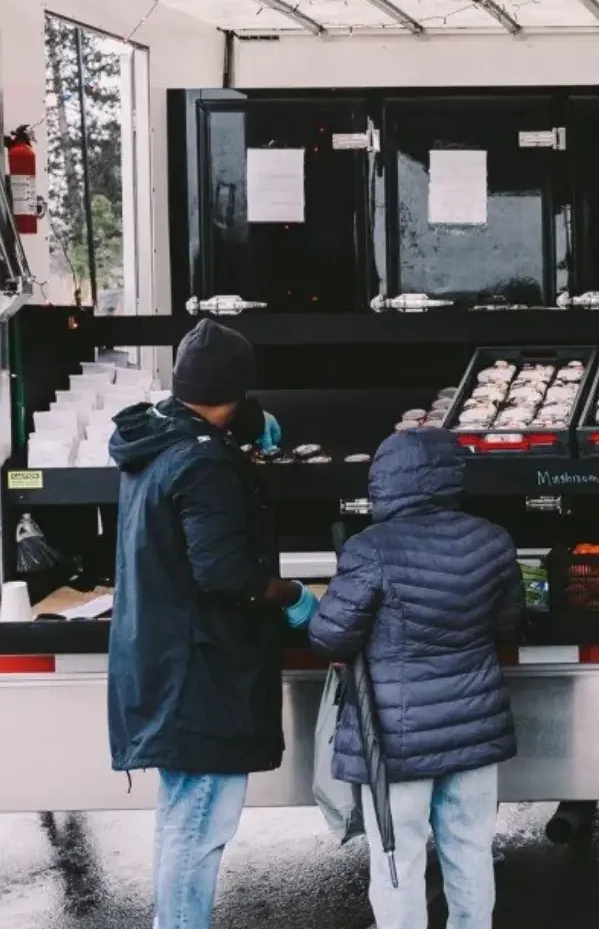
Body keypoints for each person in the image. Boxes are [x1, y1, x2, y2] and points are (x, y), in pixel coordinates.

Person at [107, 319, 307, 929]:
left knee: (180, 821)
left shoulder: (156, 440)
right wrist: (295, 594)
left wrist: (244, 428)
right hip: (201, 673)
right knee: (199, 827)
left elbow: (211, 423)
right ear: (238, 389)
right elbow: (224, 573)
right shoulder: (205, 464)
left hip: (166, 660)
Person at [309, 426, 523, 929]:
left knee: (397, 857)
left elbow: (330, 638)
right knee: (470, 850)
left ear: (385, 479)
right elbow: (508, 623)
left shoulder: (370, 549)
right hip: (474, 727)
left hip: (395, 737)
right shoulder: (493, 541)